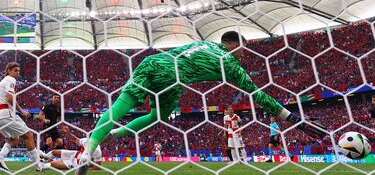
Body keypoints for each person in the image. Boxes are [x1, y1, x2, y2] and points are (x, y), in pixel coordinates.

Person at [77, 31, 326, 174]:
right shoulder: (229, 62)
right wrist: (294, 119)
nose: (243, 55)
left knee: (125, 104)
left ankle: (92, 147)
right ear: (234, 45)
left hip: (152, 62)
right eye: (243, 50)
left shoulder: (205, 42)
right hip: (172, 77)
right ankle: (104, 139)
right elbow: (257, 96)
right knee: (157, 116)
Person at [0, 62, 49, 172]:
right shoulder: (10, 79)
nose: (17, 73)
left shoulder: (2, 82)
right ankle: (39, 166)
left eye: (18, 71)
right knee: (28, 136)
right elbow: (10, 98)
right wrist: (22, 111)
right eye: (15, 70)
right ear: (8, 70)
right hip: (6, 113)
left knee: (14, 139)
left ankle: (0, 158)